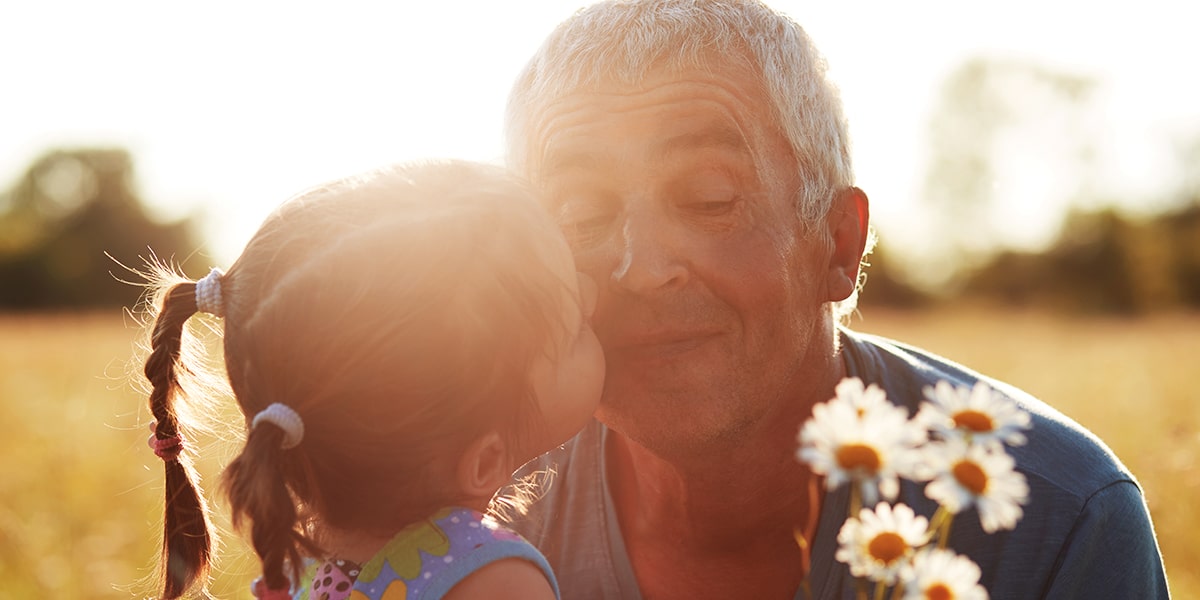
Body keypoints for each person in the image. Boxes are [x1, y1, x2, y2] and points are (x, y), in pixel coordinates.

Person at [501, 1, 1170, 598]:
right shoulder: (469, 495)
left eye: (710, 198)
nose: (643, 267)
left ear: (838, 243)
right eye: (581, 212)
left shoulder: (1059, 526)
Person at [138, 160, 604, 599]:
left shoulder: (301, 564)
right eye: (574, 329)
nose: (593, 295)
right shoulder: (494, 579)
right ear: (484, 461)